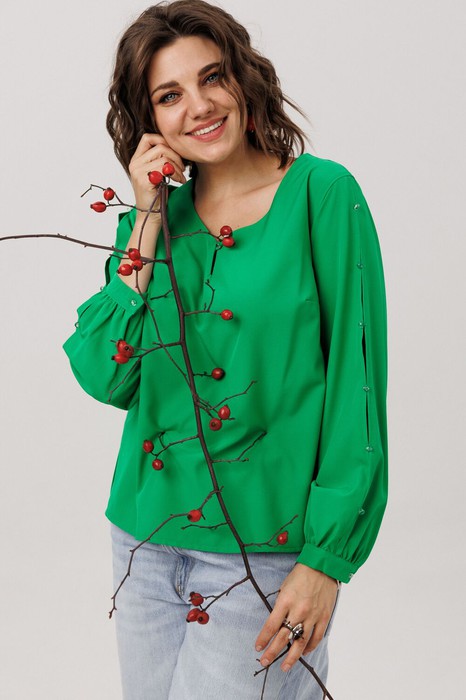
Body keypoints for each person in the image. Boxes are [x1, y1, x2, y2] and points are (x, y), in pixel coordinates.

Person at [63, 1, 388, 698]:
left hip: (264, 554)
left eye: (212, 77)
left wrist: (326, 560)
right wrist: (145, 219)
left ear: (244, 78)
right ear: (148, 117)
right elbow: (104, 376)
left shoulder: (322, 195)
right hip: (144, 545)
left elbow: (356, 387)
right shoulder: (154, 220)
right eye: (169, 95)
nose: (200, 106)